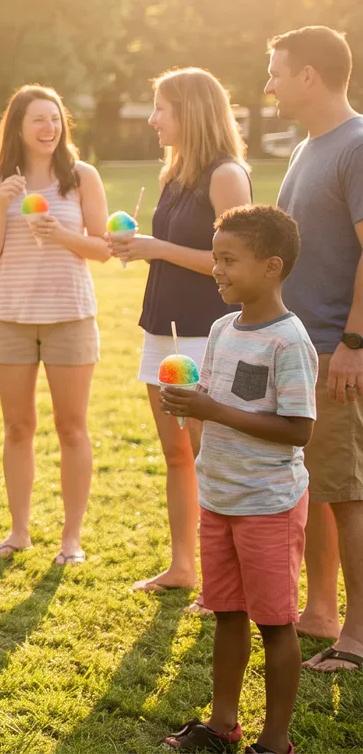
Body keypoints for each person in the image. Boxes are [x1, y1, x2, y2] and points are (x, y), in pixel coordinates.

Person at [160, 205, 314, 754]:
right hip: (220, 496)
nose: (216, 269)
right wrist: (192, 403)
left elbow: (298, 429)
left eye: (229, 260)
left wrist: (215, 411)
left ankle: (275, 742)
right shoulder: (222, 328)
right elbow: (215, 399)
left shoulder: (289, 341)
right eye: (215, 257)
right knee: (227, 613)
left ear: (272, 266)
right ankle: (223, 724)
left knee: (275, 624)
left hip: (268, 504)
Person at [110, 69, 253, 595]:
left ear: (189, 112)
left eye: (161, 108)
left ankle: (225, 580)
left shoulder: (226, 175)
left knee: (209, 459)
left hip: (204, 334)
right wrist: (137, 247)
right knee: (176, 455)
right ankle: (182, 567)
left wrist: (158, 249)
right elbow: (168, 251)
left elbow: (237, 262)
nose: (152, 119)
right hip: (162, 331)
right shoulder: (173, 174)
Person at [0, 84, 111, 564]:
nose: (49, 127)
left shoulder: (81, 177)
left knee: (71, 428)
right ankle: (19, 532)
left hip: (70, 315)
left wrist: (63, 233)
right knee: (17, 427)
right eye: (38, 119)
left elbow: (105, 248)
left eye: (55, 119)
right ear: (18, 127)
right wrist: (1, 204)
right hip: (10, 316)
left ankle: (71, 539)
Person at [266, 25, 363, 673]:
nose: (268, 85)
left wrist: (354, 340)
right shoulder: (309, 147)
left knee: (348, 492)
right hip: (303, 348)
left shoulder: (356, 145)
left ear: (308, 75)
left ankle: (357, 637)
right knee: (320, 485)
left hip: (337, 349)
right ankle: (322, 612)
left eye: (276, 73)